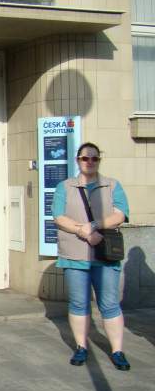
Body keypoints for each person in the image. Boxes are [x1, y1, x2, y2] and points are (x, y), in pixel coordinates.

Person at [53, 142, 131, 371]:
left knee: (110, 304)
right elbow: (59, 217)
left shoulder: (112, 185)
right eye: (85, 158)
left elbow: (120, 215)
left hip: (105, 255)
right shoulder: (64, 187)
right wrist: (84, 232)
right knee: (79, 303)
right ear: (78, 160)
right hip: (75, 255)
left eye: (94, 158)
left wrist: (94, 225)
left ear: (99, 161)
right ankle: (81, 347)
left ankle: (117, 351)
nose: (90, 162)